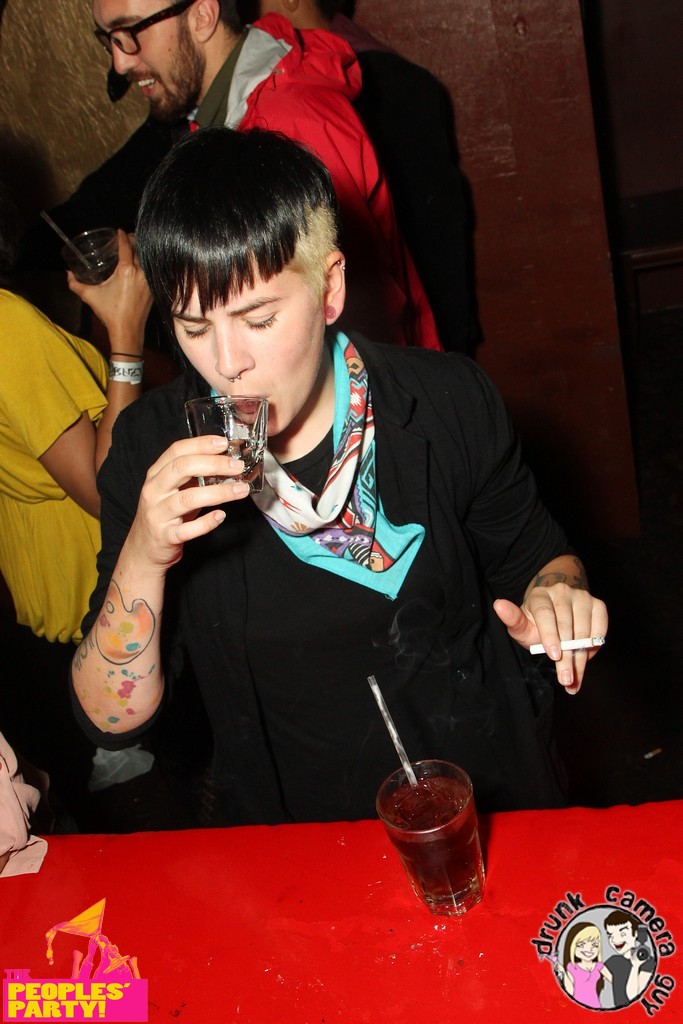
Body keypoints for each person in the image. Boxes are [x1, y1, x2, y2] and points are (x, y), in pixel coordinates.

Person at [71, 126, 607, 828]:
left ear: (330, 288)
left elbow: (538, 558)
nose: (226, 363)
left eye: (258, 318)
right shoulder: (150, 449)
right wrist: (145, 555)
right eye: (193, 328)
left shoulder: (446, 399)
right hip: (299, 840)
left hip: (485, 806)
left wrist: (558, 597)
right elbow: (111, 723)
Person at [23, 0, 439, 351]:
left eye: (130, 32)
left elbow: (358, 328)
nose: (120, 61)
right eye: (108, 39)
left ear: (203, 15)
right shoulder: (218, 116)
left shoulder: (291, 129)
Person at [241, 0, 476, 353]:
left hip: (400, 347)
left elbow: (431, 235)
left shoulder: (369, 82)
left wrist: (444, 360)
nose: (248, 15)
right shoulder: (352, 69)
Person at [0, 184, 152, 644]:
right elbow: (107, 493)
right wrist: (126, 332)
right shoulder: (8, 326)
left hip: (50, 593)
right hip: (106, 605)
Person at [604, 910, 656, 1006]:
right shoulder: (613, 961)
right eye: (610, 935)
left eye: (622, 934)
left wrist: (635, 966)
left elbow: (633, 997)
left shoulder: (648, 962)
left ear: (635, 934)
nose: (615, 940)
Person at [562, 922, 612, 1009]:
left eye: (595, 945)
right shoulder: (572, 967)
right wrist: (562, 972)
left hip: (595, 1006)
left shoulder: (599, 966)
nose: (589, 949)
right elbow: (570, 991)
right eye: (581, 945)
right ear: (572, 946)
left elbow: (614, 981)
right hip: (576, 1007)